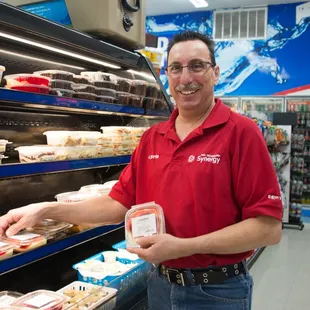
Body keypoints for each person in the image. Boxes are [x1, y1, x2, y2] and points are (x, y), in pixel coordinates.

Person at [0, 31, 282, 310]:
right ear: (167, 76)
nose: (185, 78)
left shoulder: (241, 132)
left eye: (197, 66)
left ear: (215, 72)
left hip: (217, 291)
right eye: (176, 68)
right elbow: (116, 204)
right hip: (159, 284)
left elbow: (267, 229)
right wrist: (46, 210)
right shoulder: (152, 137)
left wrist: (184, 247)